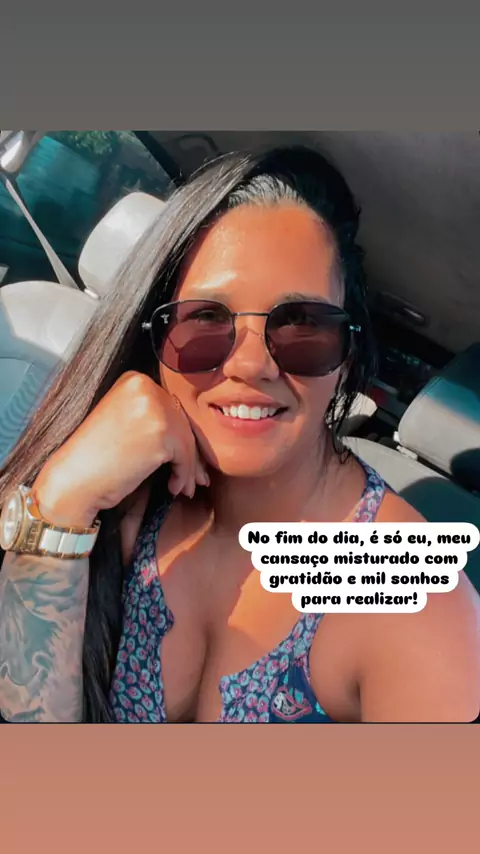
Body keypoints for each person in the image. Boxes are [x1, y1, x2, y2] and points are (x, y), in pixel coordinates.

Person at [0, 146, 478, 724]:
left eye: (302, 326)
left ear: (346, 359)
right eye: (205, 319)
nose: (251, 365)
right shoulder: (124, 490)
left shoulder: (410, 596)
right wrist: (59, 502)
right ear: (157, 338)